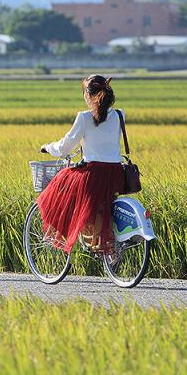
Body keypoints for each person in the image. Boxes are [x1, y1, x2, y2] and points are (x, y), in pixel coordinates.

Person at [36, 74, 125, 254]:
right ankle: (97, 239)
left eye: (84, 92)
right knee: (99, 204)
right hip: (117, 173)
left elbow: (65, 146)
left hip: (95, 174)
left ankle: (68, 231)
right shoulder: (119, 115)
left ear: (89, 95)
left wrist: (48, 147)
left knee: (60, 183)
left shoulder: (84, 117)